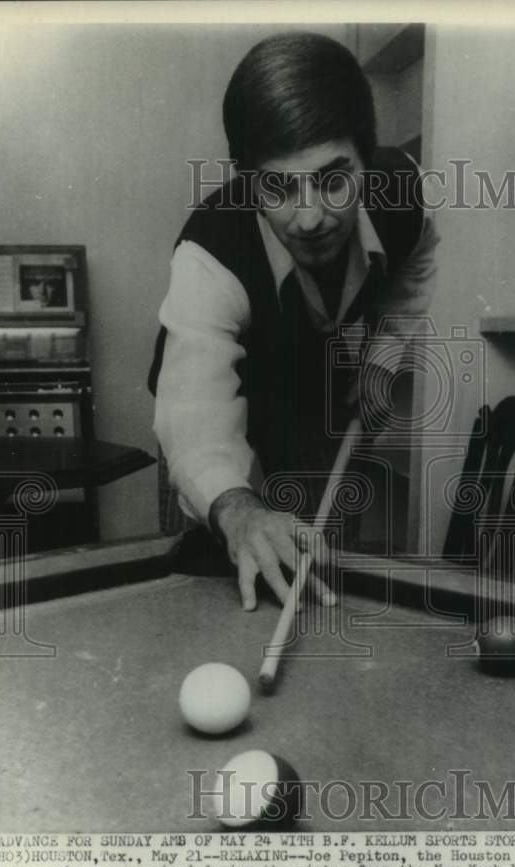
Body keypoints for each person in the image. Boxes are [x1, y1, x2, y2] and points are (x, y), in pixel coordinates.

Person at [149, 32, 438, 611]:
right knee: (215, 566)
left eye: (335, 178)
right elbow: (194, 421)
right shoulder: (210, 255)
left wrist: (383, 358)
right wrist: (236, 509)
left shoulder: (403, 192)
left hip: (315, 393)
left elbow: (413, 269)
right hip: (211, 410)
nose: (310, 218)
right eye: (278, 186)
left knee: (320, 567)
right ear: (248, 179)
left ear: (366, 157)